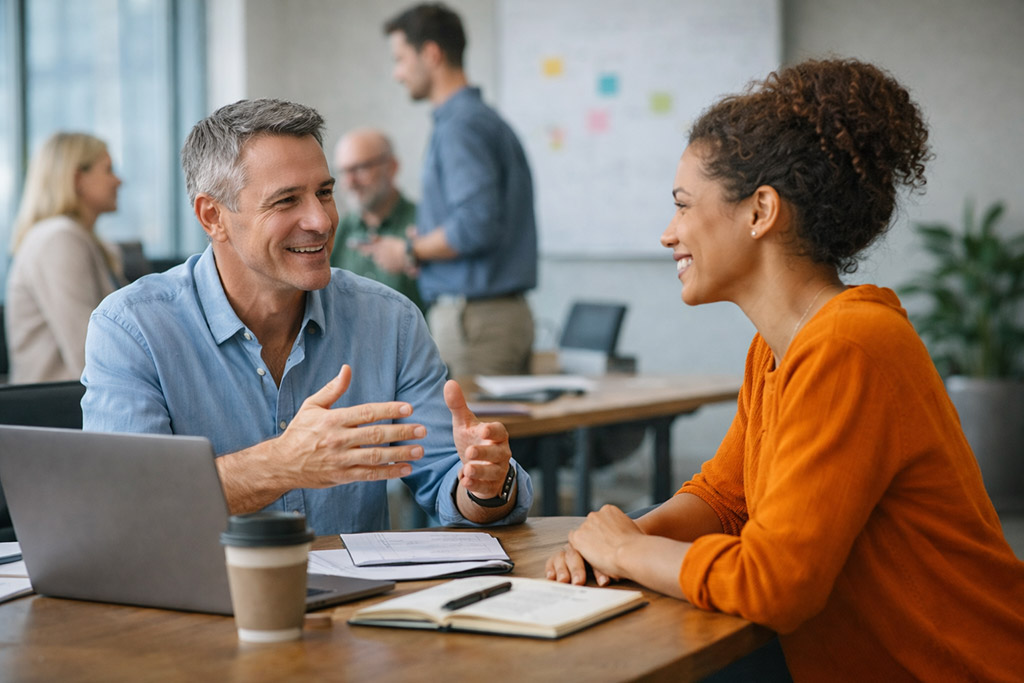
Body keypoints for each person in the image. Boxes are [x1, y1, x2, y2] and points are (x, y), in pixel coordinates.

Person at [545, 59, 1024, 681]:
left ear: (760, 211)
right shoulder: (776, 348)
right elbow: (723, 498)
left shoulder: (851, 345)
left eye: (684, 206)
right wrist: (612, 545)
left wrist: (630, 549)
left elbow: (775, 585)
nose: (668, 234)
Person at [81, 98, 533, 535]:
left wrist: (487, 487)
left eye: (324, 192)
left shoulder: (390, 322)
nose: (320, 220)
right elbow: (130, 507)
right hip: (199, 607)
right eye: (286, 201)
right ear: (213, 216)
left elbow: (451, 481)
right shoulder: (132, 329)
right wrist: (280, 464)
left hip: (358, 608)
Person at [376, 2, 538, 379]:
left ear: (431, 54)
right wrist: (429, 245)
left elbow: (476, 224)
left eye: (400, 59)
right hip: (485, 317)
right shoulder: (477, 120)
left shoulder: (460, 127)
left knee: (466, 437)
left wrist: (409, 250)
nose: (397, 74)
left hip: (475, 322)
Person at [5, 132, 126, 384]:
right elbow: (88, 352)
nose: (118, 181)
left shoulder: (84, 240)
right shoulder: (58, 239)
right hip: (57, 411)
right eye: (108, 170)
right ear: (77, 179)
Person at [331, 128, 424, 313]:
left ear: (392, 167)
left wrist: (413, 253)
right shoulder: (335, 231)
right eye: (343, 171)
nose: (350, 182)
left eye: (360, 168)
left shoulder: (424, 224)